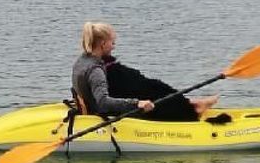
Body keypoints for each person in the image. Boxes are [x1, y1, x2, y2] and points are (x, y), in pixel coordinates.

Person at [71, 22, 219, 122]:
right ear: (103, 44)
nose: (113, 46)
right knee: (150, 95)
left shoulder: (82, 60)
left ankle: (190, 104)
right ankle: (192, 110)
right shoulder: (96, 70)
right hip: (100, 112)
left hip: (92, 105)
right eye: (112, 42)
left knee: (151, 85)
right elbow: (103, 103)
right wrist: (137, 104)